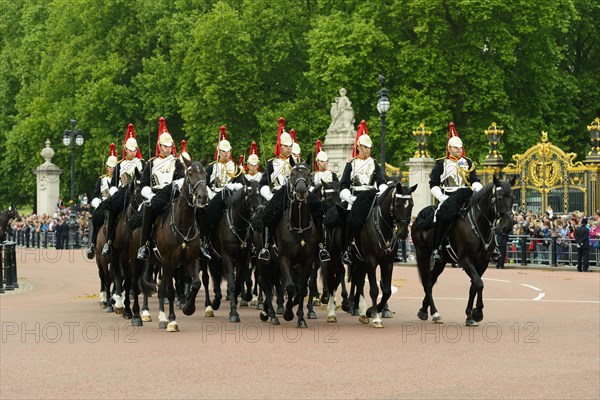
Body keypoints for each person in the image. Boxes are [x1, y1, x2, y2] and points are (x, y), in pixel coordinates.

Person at [429, 122, 483, 263]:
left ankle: (489, 245)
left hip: (467, 195)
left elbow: (474, 179)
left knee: (485, 214)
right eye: (455, 147)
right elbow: (433, 184)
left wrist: (478, 188)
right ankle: (436, 249)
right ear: (449, 148)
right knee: (440, 216)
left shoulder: (468, 162)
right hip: (449, 196)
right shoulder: (441, 164)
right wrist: (442, 197)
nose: (459, 150)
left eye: (460, 147)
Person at [136, 119, 186, 260]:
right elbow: (144, 184)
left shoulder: (177, 162)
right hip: (156, 195)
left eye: (170, 146)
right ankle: (143, 246)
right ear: (160, 146)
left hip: (173, 194)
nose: (168, 148)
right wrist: (150, 195)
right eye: (165, 146)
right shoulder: (151, 163)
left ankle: (198, 243)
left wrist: (177, 183)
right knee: (148, 208)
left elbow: (183, 177)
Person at [339, 121, 387, 265]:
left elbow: (381, 181)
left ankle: (388, 246)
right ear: (359, 147)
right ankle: (347, 250)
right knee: (350, 219)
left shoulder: (375, 163)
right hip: (356, 198)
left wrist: (384, 192)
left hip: (372, 196)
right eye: (366, 147)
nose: (368, 150)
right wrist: (350, 198)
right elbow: (343, 185)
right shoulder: (351, 164)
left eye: (370, 147)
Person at [101, 124, 145, 256]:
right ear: (125, 149)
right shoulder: (120, 164)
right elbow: (114, 183)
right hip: (123, 191)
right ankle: (108, 241)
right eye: (130, 150)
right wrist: (114, 192)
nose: (133, 152)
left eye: (134, 150)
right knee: (112, 209)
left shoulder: (142, 163)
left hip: (138, 191)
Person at [258, 117, 296, 261]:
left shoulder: (297, 163)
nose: (288, 148)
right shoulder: (271, 163)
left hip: (295, 195)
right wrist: (269, 195)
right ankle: (267, 246)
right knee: (269, 216)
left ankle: (319, 246)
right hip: (278, 195)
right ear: (280, 146)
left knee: (315, 210)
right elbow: (263, 184)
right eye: (286, 146)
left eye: (290, 146)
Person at [86, 145, 118, 259]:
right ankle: (93, 244)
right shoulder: (102, 179)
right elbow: (95, 195)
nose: (112, 169)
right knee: (96, 219)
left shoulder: (120, 179)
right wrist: (98, 203)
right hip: (103, 204)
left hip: (115, 204)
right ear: (107, 167)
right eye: (110, 167)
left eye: (114, 167)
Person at [206, 126, 244, 194]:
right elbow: (205, 183)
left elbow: (241, 185)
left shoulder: (236, 168)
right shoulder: (211, 167)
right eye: (223, 151)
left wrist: (232, 186)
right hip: (214, 194)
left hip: (230, 195)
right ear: (219, 152)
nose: (226, 153)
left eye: (228, 151)